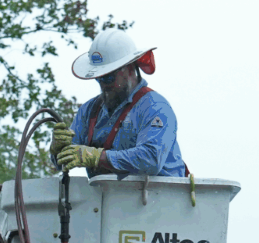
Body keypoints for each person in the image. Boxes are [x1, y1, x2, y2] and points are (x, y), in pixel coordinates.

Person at [52, 29, 186, 178]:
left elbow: (151, 159)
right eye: (98, 78)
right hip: (112, 197)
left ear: (129, 69)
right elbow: (64, 161)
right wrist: (58, 149)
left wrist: (98, 157)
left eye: (108, 77)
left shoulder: (155, 107)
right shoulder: (90, 111)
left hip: (162, 196)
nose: (103, 84)